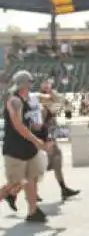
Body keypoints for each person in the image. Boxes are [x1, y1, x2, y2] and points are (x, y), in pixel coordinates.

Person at [2, 70, 47, 222]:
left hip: (28, 147)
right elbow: (18, 126)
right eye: (30, 81)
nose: (31, 84)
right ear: (23, 84)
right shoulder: (14, 101)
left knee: (31, 178)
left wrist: (41, 131)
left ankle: (33, 212)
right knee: (14, 183)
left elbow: (28, 123)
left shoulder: (25, 100)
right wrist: (36, 140)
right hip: (15, 148)